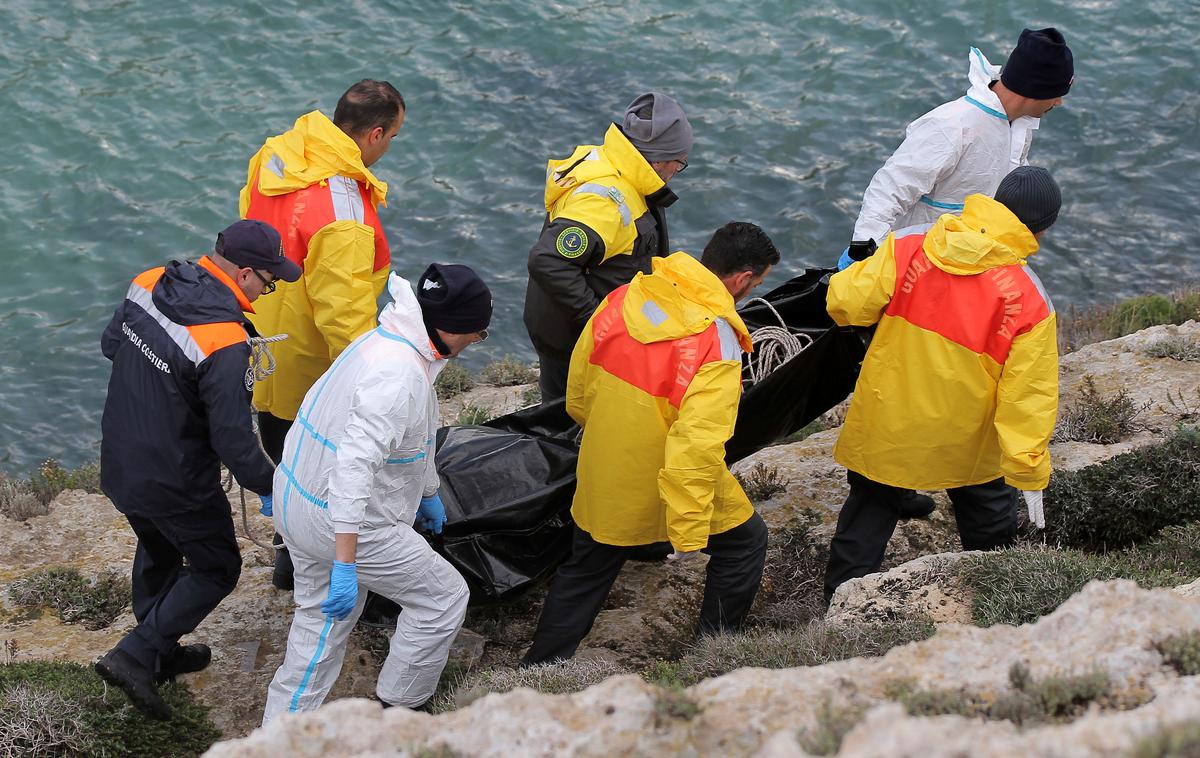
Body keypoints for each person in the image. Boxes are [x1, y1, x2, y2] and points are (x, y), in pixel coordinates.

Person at [521, 221, 780, 666]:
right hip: (661, 478)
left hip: (603, 469)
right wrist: (688, 528)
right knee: (745, 544)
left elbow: (578, 386)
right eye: (756, 284)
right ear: (740, 281)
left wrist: (606, 432)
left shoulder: (627, 296)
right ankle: (712, 657)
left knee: (586, 571)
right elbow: (696, 445)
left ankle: (539, 667)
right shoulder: (717, 340)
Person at [262, 263, 492, 722]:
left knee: (321, 622)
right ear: (452, 328)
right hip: (345, 521)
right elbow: (352, 470)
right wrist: (347, 561)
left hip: (296, 499)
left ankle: (277, 736)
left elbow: (413, 437)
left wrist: (427, 492)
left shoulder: (379, 341)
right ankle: (401, 705)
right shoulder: (399, 376)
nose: (476, 343)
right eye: (479, 334)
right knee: (443, 598)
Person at [822, 166, 1062, 604]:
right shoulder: (1029, 298)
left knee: (864, 523)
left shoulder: (911, 243)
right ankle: (1000, 609)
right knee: (989, 529)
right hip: (966, 440)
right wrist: (1028, 470)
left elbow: (845, 304)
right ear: (1042, 229)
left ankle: (838, 615)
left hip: (888, 421)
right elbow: (1028, 396)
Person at [95, 220, 300, 720]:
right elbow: (234, 441)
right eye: (269, 280)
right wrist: (277, 488)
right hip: (177, 479)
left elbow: (110, 345)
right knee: (215, 567)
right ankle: (136, 655)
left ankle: (161, 647)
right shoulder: (225, 341)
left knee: (159, 543)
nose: (267, 289)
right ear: (246, 274)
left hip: (121, 458)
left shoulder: (148, 282)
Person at [240, 79, 406, 590]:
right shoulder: (344, 212)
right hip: (309, 369)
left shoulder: (278, 155)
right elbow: (344, 314)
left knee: (277, 453)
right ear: (375, 134)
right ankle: (304, 569)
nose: (391, 145)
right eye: (394, 135)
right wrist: (369, 386)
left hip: (260, 340)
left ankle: (286, 556)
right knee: (314, 476)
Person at [841, 27, 1073, 267]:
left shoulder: (1019, 126)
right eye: (1057, 93)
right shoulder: (953, 124)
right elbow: (890, 189)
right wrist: (864, 255)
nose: (1059, 101)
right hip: (914, 262)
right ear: (1036, 90)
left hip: (962, 262)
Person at [524, 91, 692, 403]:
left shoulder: (619, 164)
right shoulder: (603, 202)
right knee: (567, 421)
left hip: (570, 328)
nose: (675, 173)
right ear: (660, 160)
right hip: (572, 338)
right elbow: (548, 260)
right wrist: (600, 320)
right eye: (679, 164)